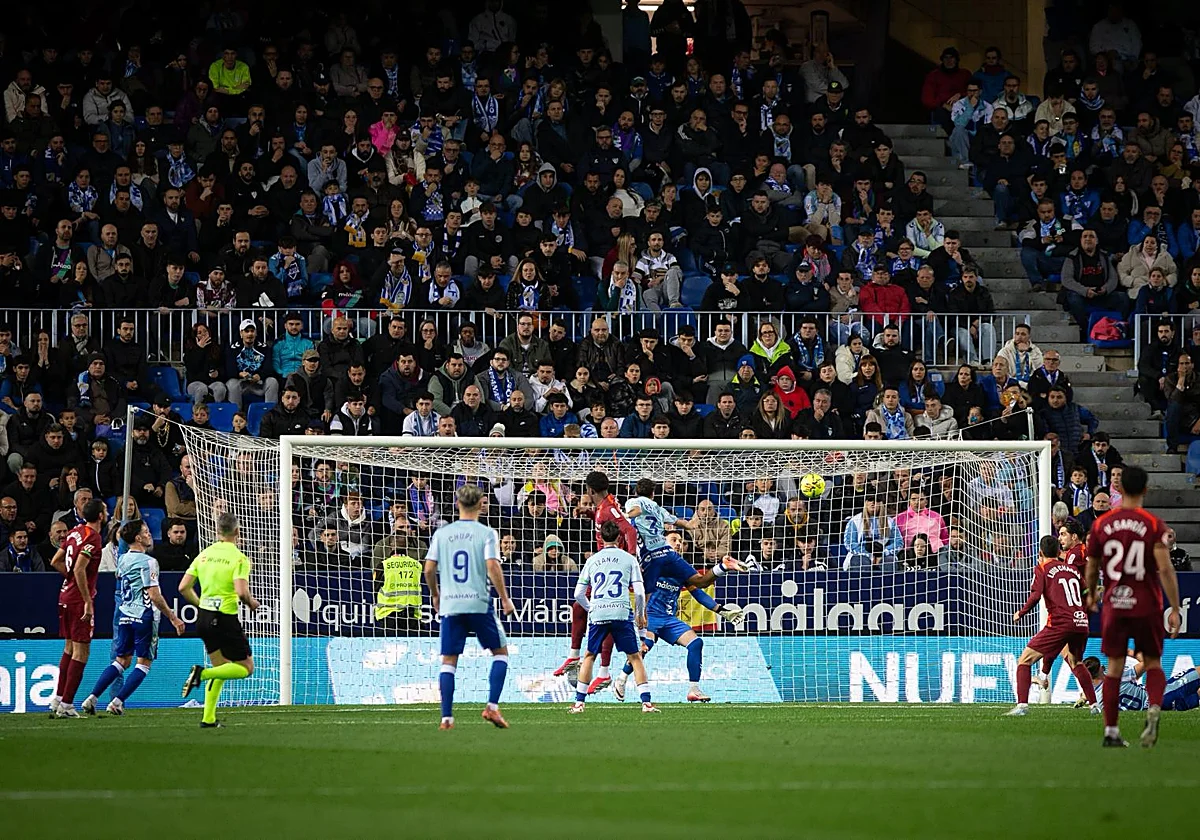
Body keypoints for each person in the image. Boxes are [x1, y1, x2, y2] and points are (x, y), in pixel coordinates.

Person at [618, 478, 745, 702]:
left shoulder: (675, 564)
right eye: (674, 539)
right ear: (664, 537)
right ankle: (621, 678)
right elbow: (642, 512)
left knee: (696, 643)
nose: (678, 543)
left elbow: (698, 591)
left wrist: (722, 610)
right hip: (652, 616)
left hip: (668, 618)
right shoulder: (652, 552)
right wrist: (625, 519)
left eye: (680, 542)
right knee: (644, 646)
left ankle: (694, 689)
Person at [1083, 465, 1182, 747]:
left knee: (1114, 668)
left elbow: (1092, 566)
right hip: (1147, 603)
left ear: (1119, 489)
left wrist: (1091, 594)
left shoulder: (1102, 524)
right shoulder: (1152, 524)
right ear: (1145, 490)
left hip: (1115, 603)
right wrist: (1174, 608)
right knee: (1152, 663)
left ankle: (1111, 731)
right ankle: (1153, 706)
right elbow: (1165, 570)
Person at [423, 484, 514, 730]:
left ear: (457, 504)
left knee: (449, 660)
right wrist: (504, 598)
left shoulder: (442, 533)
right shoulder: (486, 533)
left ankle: (446, 719)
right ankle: (492, 707)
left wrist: (435, 594)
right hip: (478, 602)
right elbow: (493, 566)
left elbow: (429, 568)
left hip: (451, 604)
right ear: (481, 504)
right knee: (500, 654)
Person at [80, 520, 185, 715]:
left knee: (121, 661)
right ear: (138, 538)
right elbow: (154, 595)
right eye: (146, 532)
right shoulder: (149, 562)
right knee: (143, 663)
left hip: (125, 615)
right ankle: (117, 702)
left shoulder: (122, 560)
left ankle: (92, 698)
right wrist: (173, 617)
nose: (149, 535)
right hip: (144, 616)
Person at [553, 471, 636, 690]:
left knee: (592, 612)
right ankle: (593, 666)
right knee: (585, 610)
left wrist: (631, 559)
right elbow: (613, 522)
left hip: (609, 565)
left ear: (590, 490)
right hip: (604, 565)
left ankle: (599, 669)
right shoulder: (604, 507)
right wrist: (588, 513)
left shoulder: (608, 508)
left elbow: (630, 530)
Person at [179, 513, 260, 728]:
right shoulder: (239, 558)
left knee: (221, 667)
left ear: (217, 532)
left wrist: (200, 605)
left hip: (204, 618)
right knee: (246, 667)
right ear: (237, 532)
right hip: (224, 618)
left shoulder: (204, 555)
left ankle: (208, 718)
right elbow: (241, 591)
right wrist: (251, 603)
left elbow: (183, 587)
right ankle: (201, 674)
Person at [569, 520, 657, 714]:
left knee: (590, 655)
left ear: (600, 537)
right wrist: (640, 613)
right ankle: (646, 703)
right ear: (620, 537)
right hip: (621, 612)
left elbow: (578, 594)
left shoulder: (592, 560)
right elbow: (640, 592)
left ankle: (579, 703)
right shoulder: (629, 559)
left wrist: (591, 607)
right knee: (635, 657)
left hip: (599, 612)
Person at [1005, 534, 1098, 716]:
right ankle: (1094, 705)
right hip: (1081, 622)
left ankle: (1022, 705)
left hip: (1061, 622)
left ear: (1040, 552)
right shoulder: (1073, 570)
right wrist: (1082, 612)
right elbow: (1087, 593)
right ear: (1059, 551)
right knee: (1076, 661)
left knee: (1024, 660)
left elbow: (1035, 595)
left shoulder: (1042, 568)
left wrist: (1021, 613)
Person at [47, 498, 108, 718]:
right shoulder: (93, 537)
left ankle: (58, 699)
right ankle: (67, 705)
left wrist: (70, 580)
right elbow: (81, 568)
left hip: (64, 595)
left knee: (69, 648)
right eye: (106, 511)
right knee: (82, 652)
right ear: (100, 516)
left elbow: (56, 560)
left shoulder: (75, 532)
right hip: (77, 601)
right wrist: (87, 599)